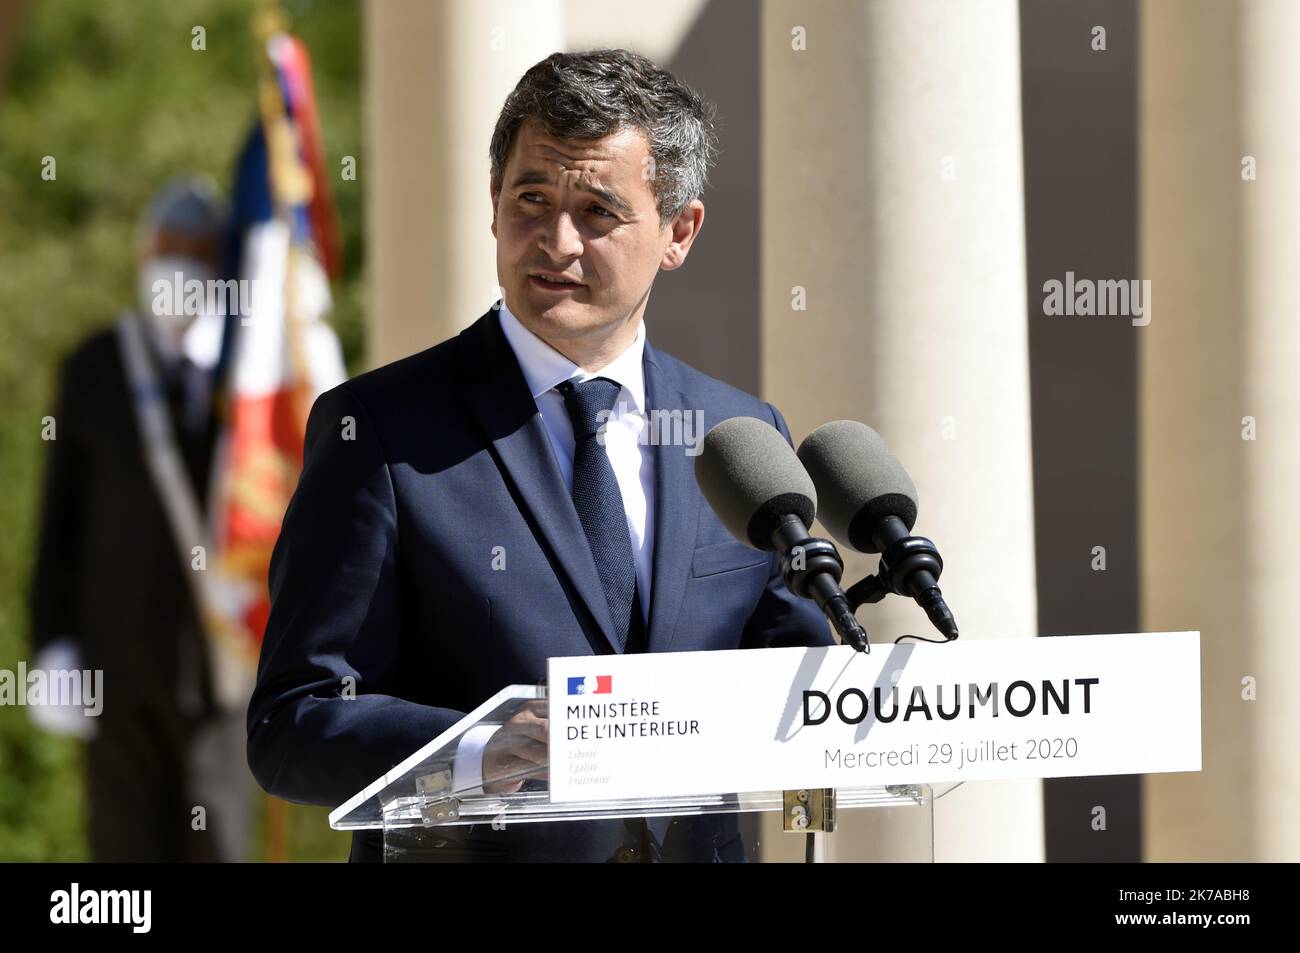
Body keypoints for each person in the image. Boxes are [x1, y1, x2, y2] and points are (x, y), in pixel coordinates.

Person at [247, 48, 835, 863]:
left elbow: (804, 690)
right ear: (494, 204)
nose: (556, 240)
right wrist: (475, 749)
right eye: (531, 199)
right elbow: (291, 725)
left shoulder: (739, 440)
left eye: (598, 211)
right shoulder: (378, 431)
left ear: (679, 232)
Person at [29, 176, 253, 861]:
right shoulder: (94, 368)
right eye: (166, 245)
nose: (179, 261)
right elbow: (58, 526)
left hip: (221, 680)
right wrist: (51, 642)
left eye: (197, 248)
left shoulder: (250, 378)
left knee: (216, 843)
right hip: (115, 675)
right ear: (142, 254)